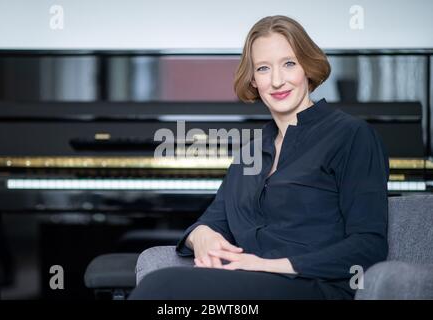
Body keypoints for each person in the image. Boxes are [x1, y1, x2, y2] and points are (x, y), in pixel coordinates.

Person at [129, 15, 389, 300]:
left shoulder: (352, 135)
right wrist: (202, 235)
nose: (277, 80)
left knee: (162, 288)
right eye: (264, 68)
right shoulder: (249, 153)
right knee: (162, 286)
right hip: (250, 288)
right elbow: (213, 220)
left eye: (289, 64)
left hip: (316, 287)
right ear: (253, 79)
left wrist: (267, 266)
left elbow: (368, 246)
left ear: (307, 66)